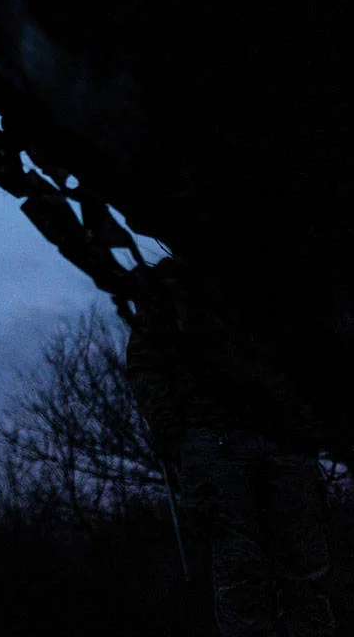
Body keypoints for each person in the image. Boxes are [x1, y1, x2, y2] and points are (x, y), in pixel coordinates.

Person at [126, 257, 336, 637]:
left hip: (282, 436)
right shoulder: (167, 289)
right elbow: (145, 365)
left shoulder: (261, 271)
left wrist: (309, 418)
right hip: (214, 441)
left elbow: (308, 349)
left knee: (306, 564)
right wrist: (175, 431)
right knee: (240, 567)